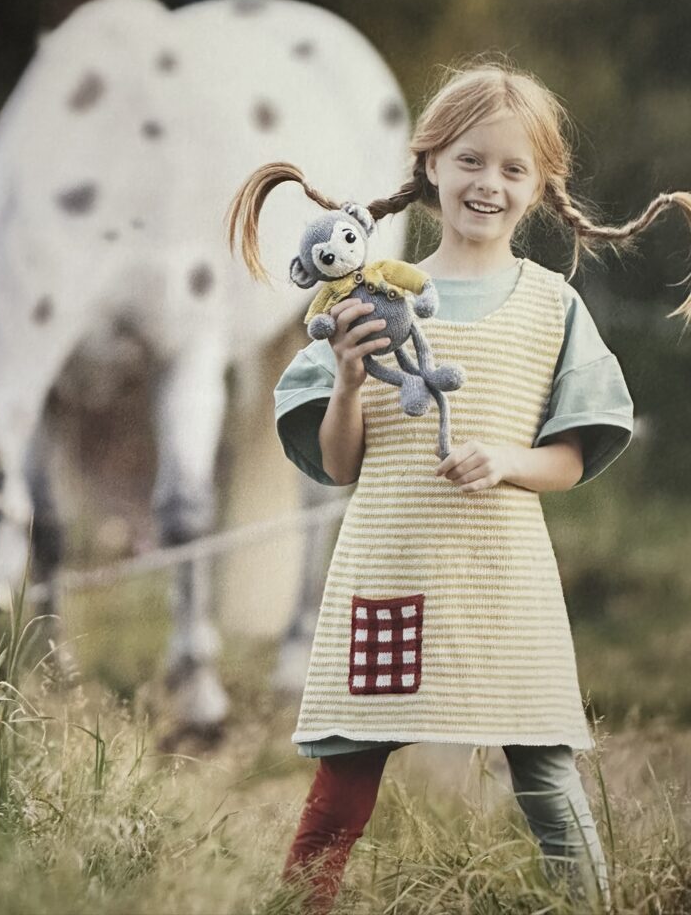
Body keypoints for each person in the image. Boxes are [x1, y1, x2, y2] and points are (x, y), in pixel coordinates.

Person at [227, 61, 691, 914]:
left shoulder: (552, 307)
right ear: (430, 163)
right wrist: (345, 379)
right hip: (389, 568)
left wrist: (509, 459)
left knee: (546, 773)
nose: (490, 184)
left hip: (505, 583)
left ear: (543, 186)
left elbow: (573, 459)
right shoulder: (358, 299)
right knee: (347, 770)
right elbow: (337, 466)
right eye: (472, 160)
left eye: (515, 169)